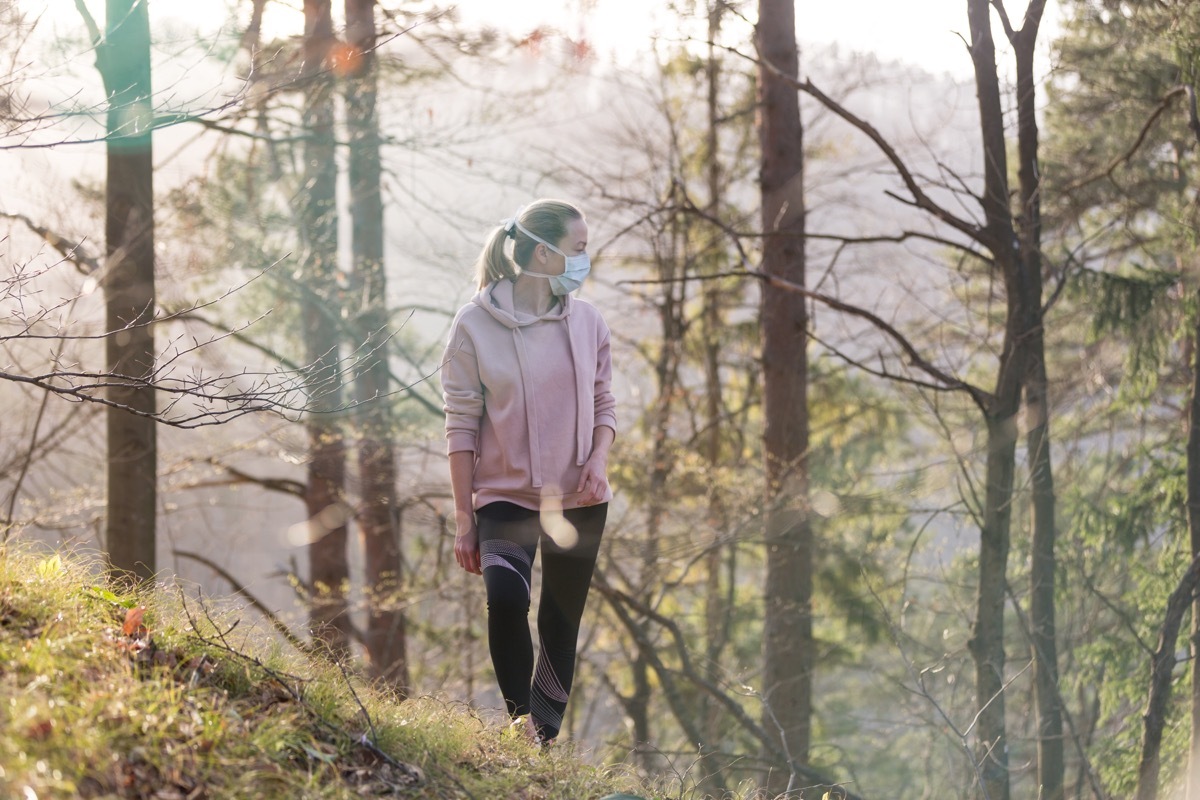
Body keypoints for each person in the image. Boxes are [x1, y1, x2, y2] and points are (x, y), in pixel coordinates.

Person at [441, 198, 616, 746]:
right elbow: (461, 427)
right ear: (544, 254)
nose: (585, 259)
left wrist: (598, 459)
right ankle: (520, 725)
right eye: (578, 249)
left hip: (580, 500)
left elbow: (605, 402)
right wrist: (464, 519)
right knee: (509, 600)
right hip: (505, 498)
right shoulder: (474, 326)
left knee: (560, 628)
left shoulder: (588, 322)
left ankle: (538, 744)